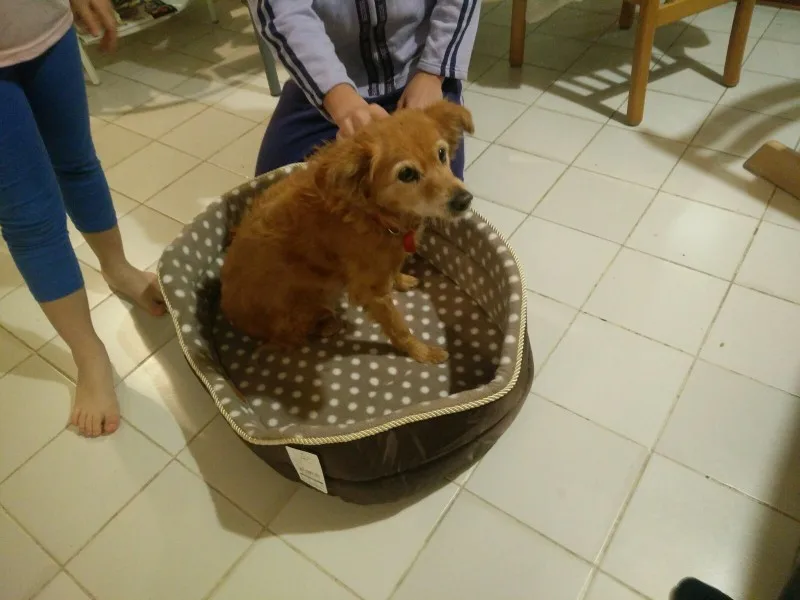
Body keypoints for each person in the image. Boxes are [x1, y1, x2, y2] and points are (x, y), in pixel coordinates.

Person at [0, 0, 165, 437]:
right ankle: (89, 353)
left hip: (42, 21)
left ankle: (118, 268)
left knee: (78, 163)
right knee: (30, 217)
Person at [246, 0, 481, 179]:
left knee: (435, 211)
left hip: (420, 73)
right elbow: (284, 13)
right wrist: (340, 99)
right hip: (324, 82)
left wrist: (432, 74)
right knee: (270, 199)